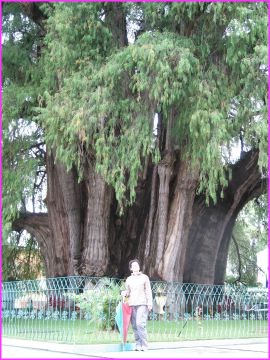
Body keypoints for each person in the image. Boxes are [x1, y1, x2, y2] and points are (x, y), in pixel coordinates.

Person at [122, 259, 153, 351]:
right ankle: (138, 344)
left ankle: (144, 344)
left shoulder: (144, 277)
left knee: (140, 323)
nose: (135, 267)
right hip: (132, 304)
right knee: (135, 325)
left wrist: (149, 303)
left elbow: (148, 291)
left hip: (142, 304)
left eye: (137, 265)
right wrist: (124, 293)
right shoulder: (129, 279)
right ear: (131, 268)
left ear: (139, 267)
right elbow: (128, 292)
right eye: (133, 266)